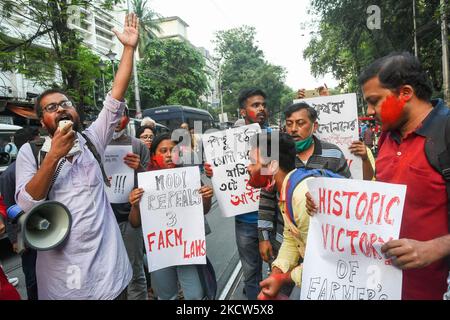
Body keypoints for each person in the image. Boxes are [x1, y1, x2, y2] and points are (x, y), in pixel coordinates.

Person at [14, 13, 139, 300]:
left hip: (110, 274)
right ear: (42, 121)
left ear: (75, 112)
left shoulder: (92, 140)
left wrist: (129, 49)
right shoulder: (30, 153)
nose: (60, 109)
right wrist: (53, 157)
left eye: (65, 103)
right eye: (50, 107)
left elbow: (115, 96)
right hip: (63, 283)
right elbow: (26, 202)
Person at [308, 52, 450, 300]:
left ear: (405, 93)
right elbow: (377, 203)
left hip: (434, 289)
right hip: (383, 287)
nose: (370, 111)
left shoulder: (445, 133)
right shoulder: (386, 136)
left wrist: (435, 248)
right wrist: (328, 208)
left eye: (375, 101)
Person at [258, 102, 351, 277]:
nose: (293, 129)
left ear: (314, 126)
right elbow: (266, 196)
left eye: (300, 123)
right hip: (286, 240)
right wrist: (263, 238)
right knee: (280, 283)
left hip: (325, 242)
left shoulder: (334, 153)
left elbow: (348, 191)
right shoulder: (275, 153)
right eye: (289, 123)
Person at [128, 133, 214, 300]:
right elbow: (134, 223)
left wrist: (207, 197)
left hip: (186, 248)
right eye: (163, 151)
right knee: (166, 295)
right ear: (153, 155)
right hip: (160, 250)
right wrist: (135, 205)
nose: (168, 155)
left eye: (172, 150)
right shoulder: (145, 182)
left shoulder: (190, 177)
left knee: (195, 294)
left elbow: (204, 210)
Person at [204, 88, 270, 300]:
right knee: (251, 273)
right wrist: (214, 172)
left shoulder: (274, 138)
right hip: (246, 220)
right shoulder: (226, 143)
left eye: (263, 105)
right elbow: (223, 173)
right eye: (255, 105)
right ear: (243, 111)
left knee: (280, 271)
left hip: (274, 218)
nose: (261, 109)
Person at [108, 106, 150, 300]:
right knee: (108, 273)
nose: (117, 119)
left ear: (127, 117)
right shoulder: (94, 145)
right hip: (103, 220)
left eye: (121, 115)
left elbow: (151, 183)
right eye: (112, 115)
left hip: (130, 218)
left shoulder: (138, 145)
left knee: (134, 271)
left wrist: (138, 167)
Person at [0, 127, 40, 300]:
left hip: (45, 227)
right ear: (28, 145)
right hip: (25, 234)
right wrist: (16, 240)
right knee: (32, 278)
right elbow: (9, 207)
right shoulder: (9, 174)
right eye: (38, 141)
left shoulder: (44, 164)